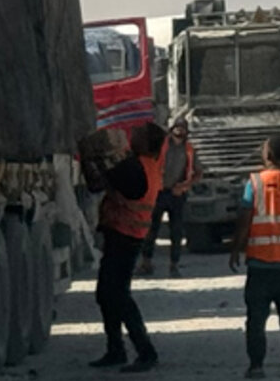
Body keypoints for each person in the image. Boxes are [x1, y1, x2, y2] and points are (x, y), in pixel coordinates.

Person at [85, 122, 164, 372]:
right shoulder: (146, 166)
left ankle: (145, 351)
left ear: (148, 143)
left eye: (138, 135)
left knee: (117, 295)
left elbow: (97, 184)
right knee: (108, 295)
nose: (133, 136)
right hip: (128, 235)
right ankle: (116, 349)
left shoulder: (134, 167)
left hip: (124, 235)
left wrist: (89, 156)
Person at [228, 135, 280, 379]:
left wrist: (236, 249)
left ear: (268, 155)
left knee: (255, 319)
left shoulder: (255, 183)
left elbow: (245, 219)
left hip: (260, 265)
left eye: (263, 148)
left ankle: (256, 367)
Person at [140, 118, 202, 278]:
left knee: (176, 231)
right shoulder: (161, 146)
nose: (179, 130)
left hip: (177, 194)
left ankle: (174, 265)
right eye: (177, 127)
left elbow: (198, 172)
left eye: (182, 128)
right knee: (151, 229)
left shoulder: (189, 149)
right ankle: (146, 263)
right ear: (172, 128)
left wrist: (183, 186)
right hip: (159, 192)